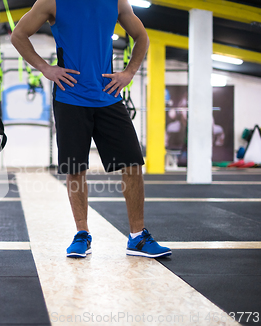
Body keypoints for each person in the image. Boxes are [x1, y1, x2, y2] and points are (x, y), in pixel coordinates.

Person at [11, 0, 171, 258]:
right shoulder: (51, 1)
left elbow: (141, 36)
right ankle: (82, 234)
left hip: (108, 96)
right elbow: (18, 34)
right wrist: (45, 68)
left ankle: (138, 237)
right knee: (75, 169)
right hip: (69, 97)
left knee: (132, 164)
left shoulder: (117, 1)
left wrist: (129, 72)